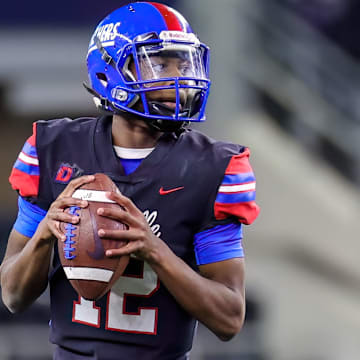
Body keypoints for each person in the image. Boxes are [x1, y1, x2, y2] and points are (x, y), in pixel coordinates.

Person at [0, 2, 260, 359]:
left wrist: (155, 251)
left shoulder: (212, 168)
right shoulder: (52, 149)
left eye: (183, 63)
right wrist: (45, 233)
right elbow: (12, 296)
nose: (179, 78)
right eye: (161, 63)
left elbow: (230, 318)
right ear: (109, 72)